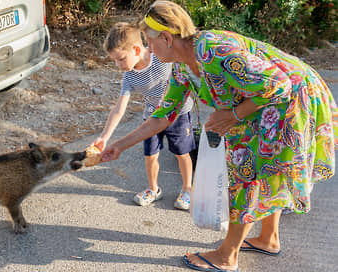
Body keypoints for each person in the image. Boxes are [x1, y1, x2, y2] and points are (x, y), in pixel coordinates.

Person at [100, 1, 338, 272]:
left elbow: (278, 84)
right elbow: (163, 116)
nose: (149, 49)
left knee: (246, 170)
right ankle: (268, 239)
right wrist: (117, 146)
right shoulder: (181, 68)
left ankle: (227, 256)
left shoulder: (212, 50)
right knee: (261, 169)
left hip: (291, 97)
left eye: (150, 43)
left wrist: (234, 115)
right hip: (265, 102)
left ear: (166, 37)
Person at [91, 22, 195, 209]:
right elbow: (119, 109)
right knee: (150, 155)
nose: (118, 65)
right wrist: (104, 137)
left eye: (121, 59)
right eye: (114, 60)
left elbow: (181, 75)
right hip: (151, 118)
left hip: (178, 113)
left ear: (137, 49)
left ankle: (187, 189)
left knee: (182, 154)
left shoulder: (161, 57)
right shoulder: (129, 76)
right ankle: (154, 189)